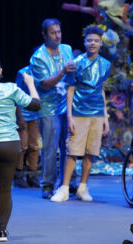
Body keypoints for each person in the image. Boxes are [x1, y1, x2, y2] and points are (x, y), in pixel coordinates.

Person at [0, 57, 40, 241]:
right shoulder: (11, 88)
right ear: (0, 72)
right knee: (5, 190)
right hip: (10, 145)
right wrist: (30, 84)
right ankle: (2, 232)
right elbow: (36, 105)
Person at [51, 26, 111, 202]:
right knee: (72, 151)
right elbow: (70, 90)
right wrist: (69, 116)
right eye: (89, 40)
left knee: (91, 152)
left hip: (97, 113)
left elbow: (102, 90)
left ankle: (83, 188)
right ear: (85, 42)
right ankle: (64, 188)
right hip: (78, 112)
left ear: (100, 43)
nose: (92, 43)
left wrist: (105, 116)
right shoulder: (75, 63)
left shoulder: (106, 65)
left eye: (96, 40)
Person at [30, 18, 77, 199]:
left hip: (67, 105)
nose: (57, 36)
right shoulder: (38, 57)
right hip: (48, 108)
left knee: (69, 145)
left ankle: (68, 182)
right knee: (50, 148)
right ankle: (48, 184)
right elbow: (45, 84)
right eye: (53, 33)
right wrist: (63, 71)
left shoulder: (66, 49)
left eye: (59, 31)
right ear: (44, 35)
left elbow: (73, 75)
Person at [13, 66, 41, 188]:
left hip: (36, 115)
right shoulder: (23, 72)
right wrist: (19, 117)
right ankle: (18, 175)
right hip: (23, 114)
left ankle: (32, 175)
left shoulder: (44, 71)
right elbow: (16, 95)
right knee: (22, 146)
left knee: (34, 146)